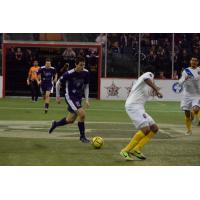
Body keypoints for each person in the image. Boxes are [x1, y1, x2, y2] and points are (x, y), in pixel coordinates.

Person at [120, 69, 163, 161]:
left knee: (154, 128)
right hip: (133, 106)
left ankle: (137, 149)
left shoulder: (147, 84)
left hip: (139, 108)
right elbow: (147, 79)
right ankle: (125, 150)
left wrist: (155, 91)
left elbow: (147, 87)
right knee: (146, 129)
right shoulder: (149, 74)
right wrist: (157, 90)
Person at [48, 56, 90, 143]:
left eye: (84, 65)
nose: (82, 67)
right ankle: (82, 137)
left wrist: (86, 99)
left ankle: (55, 124)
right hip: (70, 97)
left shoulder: (86, 73)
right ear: (76, 64)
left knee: (70, 120)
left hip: (78, 98)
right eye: (81, 65)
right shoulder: (69, 74)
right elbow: (58, 84)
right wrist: (58, 96)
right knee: (82, 114)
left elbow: (86, 86)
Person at [178, 56, 200, 135]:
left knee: (196, 109)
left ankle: (194, 113)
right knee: (187, 113)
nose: (193, 62)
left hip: (197, 94)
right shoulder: (186, 71)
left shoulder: (199, 70)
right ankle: (189, 130)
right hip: (186, 95)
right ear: (190, 61)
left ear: (197, 62)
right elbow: (180, 82)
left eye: (195, 61)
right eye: (192, 60)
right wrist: (184, 79)